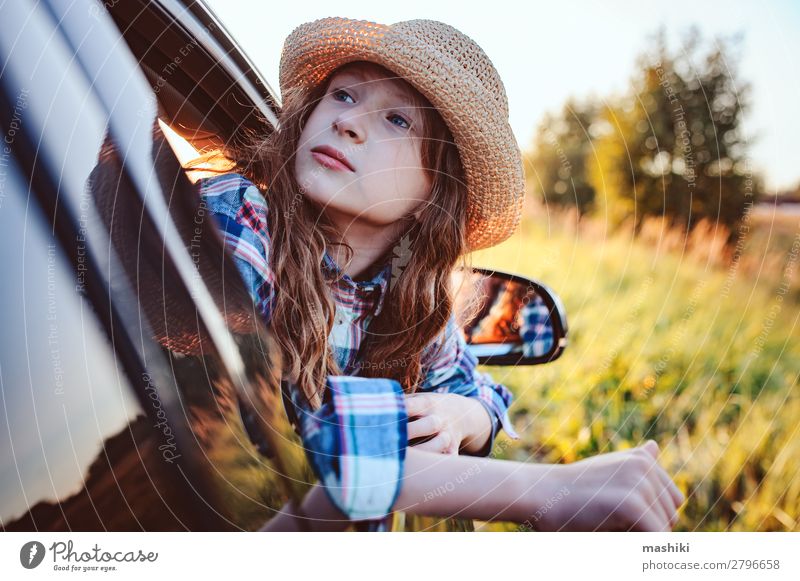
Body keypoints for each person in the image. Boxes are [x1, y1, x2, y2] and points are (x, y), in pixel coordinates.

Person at [194, 17, 684, 531]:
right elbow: (326, 466)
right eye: (342, 96)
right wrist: (551, 490)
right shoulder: (241, 220)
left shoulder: (409, 303)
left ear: (435, 190)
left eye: (398, 120)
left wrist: (463, 416)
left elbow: (480, 393)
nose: (349, 122)